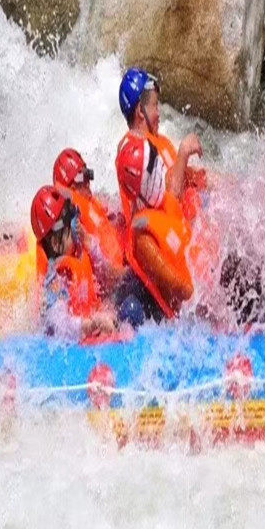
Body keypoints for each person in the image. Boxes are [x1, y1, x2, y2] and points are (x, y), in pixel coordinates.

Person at [114, 68, 204, 318]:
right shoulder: (136, 159)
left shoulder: (159, 143)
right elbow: (168, 190)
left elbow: (187, 183)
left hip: (179, 231)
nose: (159, 112)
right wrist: (184, 152)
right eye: (154, 105)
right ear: (139, 112)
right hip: (164, 263)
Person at [30, 185, 117, 340]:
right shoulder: (57, 276)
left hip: (95, 319)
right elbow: (58, 325)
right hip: (77, 342)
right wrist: (90, 325)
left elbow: (105, 274)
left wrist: (91, 245)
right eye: (71, 221)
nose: (77, 225)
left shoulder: (79, 249)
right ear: (56, 243)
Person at [52, 148, 126, 295]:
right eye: (84, 177)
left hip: (119, 270)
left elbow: (105, 224)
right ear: (72, 188)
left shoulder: (90, 202)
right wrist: (128, 275)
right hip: (114, 289)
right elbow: (108, 277)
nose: (89, 182)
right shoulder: (73, 221)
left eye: (88, 174)